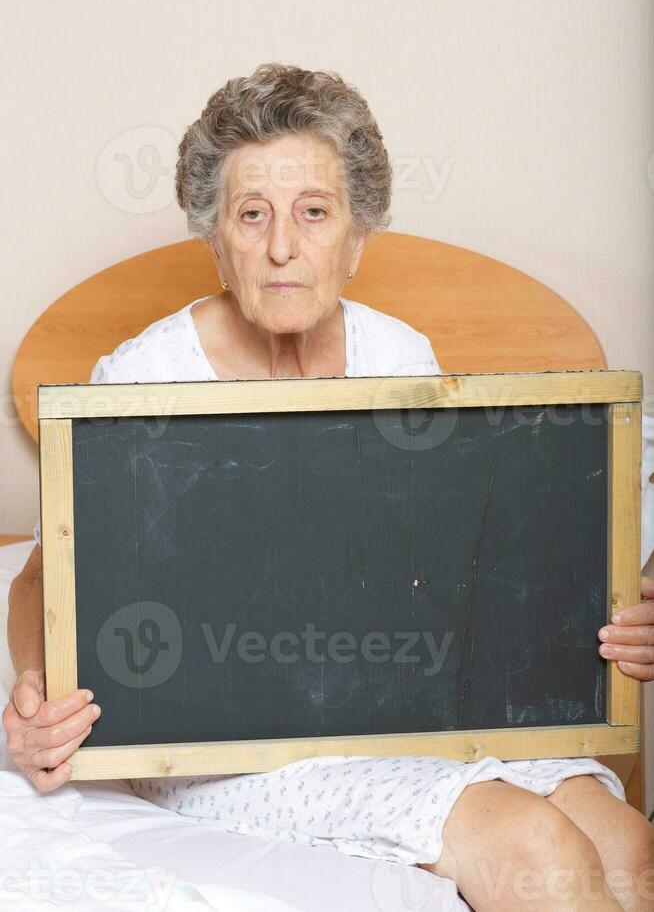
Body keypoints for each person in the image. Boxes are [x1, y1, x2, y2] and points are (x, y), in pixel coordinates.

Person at [4, 64, 653, 911]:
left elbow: (461, 575)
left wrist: (612, 620)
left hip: (405, 705)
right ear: (215, 235)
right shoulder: (144, 378)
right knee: (532, 841)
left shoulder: (402, 358)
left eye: (314, 213)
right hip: (236, 744)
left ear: (357, 233)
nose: (282, 247)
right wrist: (32, 683)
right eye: (252, 215)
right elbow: (39, 575)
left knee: (628, 841)